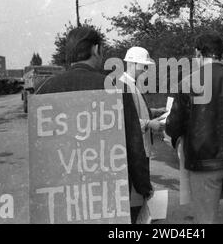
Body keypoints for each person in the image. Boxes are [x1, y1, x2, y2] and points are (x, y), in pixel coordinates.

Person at [35, 26, 153, 223]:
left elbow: (41, 149)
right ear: (97, 49)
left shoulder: (45, 89)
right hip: (108, 189)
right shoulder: (116, 87)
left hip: (64, 190)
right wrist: (143, 186)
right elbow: (133, 144)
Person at [165, 31, 223, 224]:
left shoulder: (189, 82)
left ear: (198, 54)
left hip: (203, 163)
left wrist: (169, 129)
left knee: (206, 219)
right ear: (219, 52)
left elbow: (174, 126)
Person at [117, 46, 166, 219]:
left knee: (137, 194)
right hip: (135, 147)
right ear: (132, 63)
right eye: (143, 66)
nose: (145, 70)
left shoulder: (131, 84)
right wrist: (149, 124)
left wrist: (154, 111)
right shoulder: (123, 85)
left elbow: (136, 111)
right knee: (135, 193)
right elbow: (124, 120)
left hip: (141, 145)